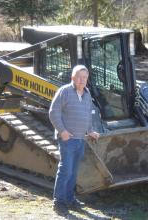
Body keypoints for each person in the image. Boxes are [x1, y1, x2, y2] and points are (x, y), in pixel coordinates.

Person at [49, 65, 100, 212]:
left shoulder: (87, 93)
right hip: (67, 139)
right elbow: (53, 113)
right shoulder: (64, 91)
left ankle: (70, 199)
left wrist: (90, 131)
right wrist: (62, 131)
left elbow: (87, 115)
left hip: (80, 139)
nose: (81, 80)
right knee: (65, 170)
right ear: (72, 77)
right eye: (79, 77)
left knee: (73, 171)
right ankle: (58, 202)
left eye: (84, 77)